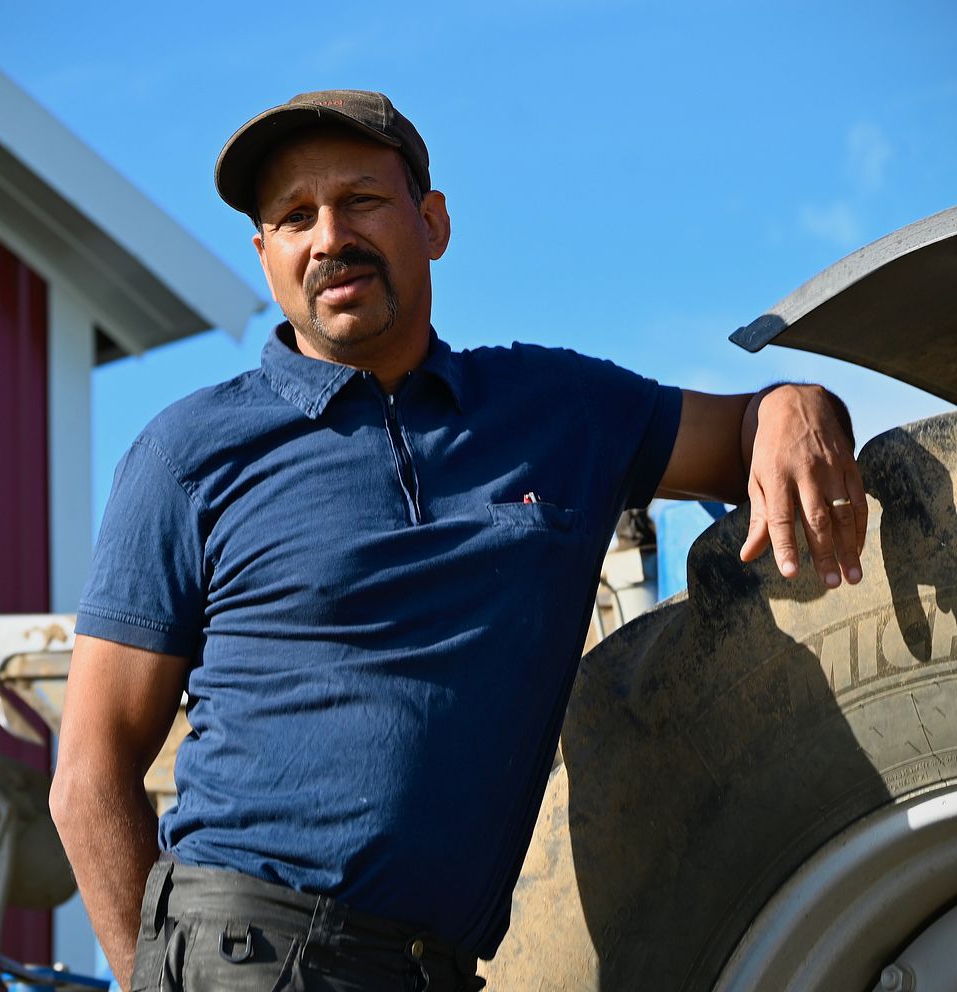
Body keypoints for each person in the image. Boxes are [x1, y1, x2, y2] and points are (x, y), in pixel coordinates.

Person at [50, 90, 867, 992]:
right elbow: (89, 776)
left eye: (361, 200)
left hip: (436, 970)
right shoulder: (186, 453)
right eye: (295, 217)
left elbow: (748, 427)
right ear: (265, 255)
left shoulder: (560, 411)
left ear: (433, 223)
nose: (329, 238)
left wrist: (797, 405)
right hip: (247, 951)